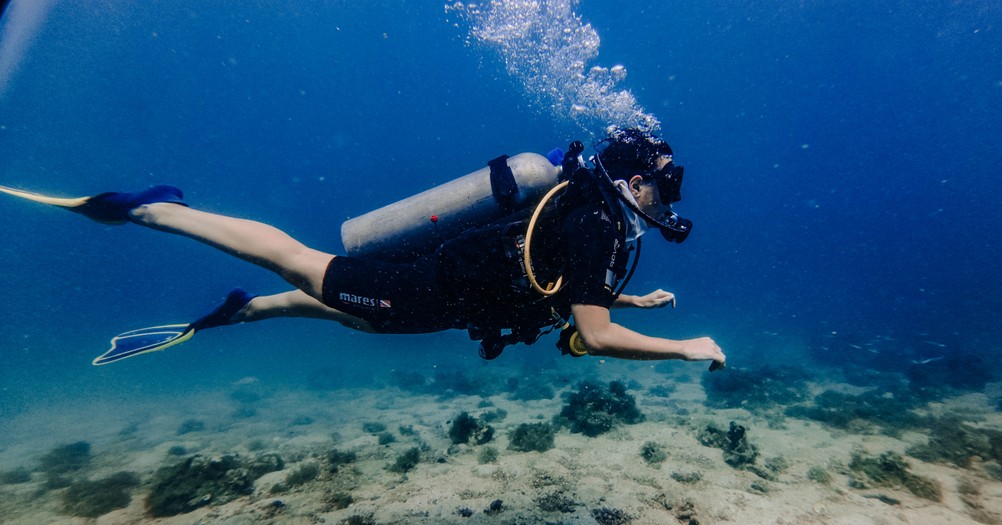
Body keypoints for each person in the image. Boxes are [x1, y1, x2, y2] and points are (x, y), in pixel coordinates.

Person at [1, 128, 726, 370]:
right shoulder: (598, 219)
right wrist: (687, 348)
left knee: (353, 315)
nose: (671, 199)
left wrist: (633, 299)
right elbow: (593, 336)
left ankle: (242, 310)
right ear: (634, 181)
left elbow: (569, 288)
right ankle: (154, 211)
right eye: (667, 184)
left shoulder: (591, 215)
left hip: (445, 294)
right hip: (429, 289)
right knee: (299, 262)